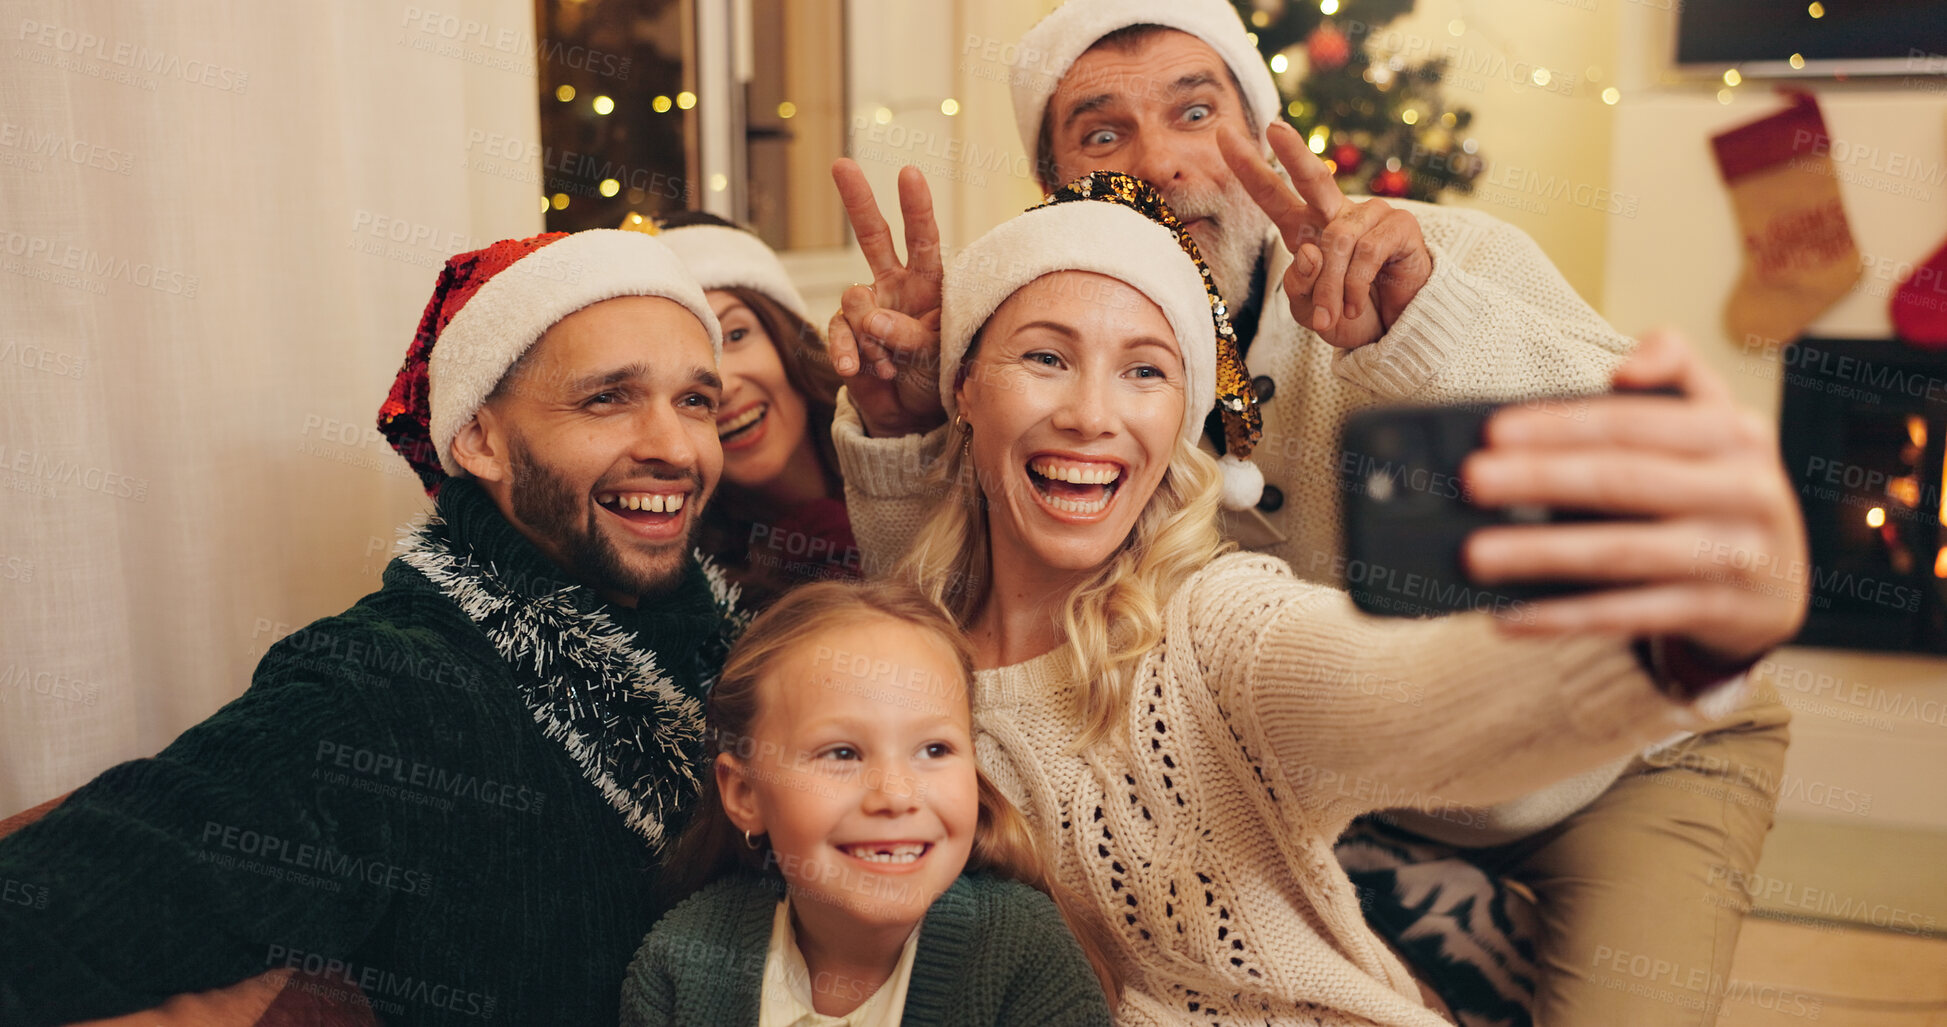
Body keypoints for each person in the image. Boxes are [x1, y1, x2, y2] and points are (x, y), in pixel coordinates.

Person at [825, 1, 1793, 1020]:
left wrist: (1426, 331)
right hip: (1355, 781)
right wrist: (905, 433)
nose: (1159, 161)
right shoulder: (1077, 351)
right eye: (1103, 132)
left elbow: (1639, 467)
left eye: (1196, 113)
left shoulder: (1442, 262)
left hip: (1626, 762)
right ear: (1058, 189)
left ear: (1267, 140)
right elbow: (951, 628)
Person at [0, 229, 742, 1026]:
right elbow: (49, 921)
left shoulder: (742, 649)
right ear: (478, 440)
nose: (675, 447)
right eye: (607, 397)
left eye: (695, 401)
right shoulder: (385, 687)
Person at [621, 578, 1115, 1026]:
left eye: (934, 749)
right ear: (745, 794)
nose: (895, 796)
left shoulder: (1022, 954)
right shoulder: (682, 963)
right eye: (842, 753)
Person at [652, 212, 862, 608]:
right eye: (687, 365)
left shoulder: (903, 443)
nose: (725, 386)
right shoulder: (696, 580)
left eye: (736, 335)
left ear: (787, 335)